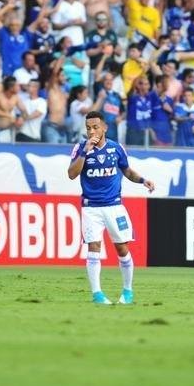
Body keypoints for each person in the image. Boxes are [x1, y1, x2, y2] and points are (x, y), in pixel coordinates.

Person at [66, 110, 155, 305]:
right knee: (93, 248)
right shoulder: (80, 148)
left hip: (114, 207)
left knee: (122, 248)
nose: (92, 131)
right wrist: (85, 151)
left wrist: (143, 180)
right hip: (91, 208)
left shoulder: (116, 149)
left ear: (105, 127)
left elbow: (127, 171)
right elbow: (72, 174)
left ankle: (128, 291)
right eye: (88, 128)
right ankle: (97, 295)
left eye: (95, 127)